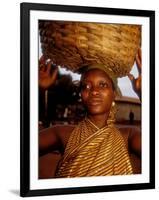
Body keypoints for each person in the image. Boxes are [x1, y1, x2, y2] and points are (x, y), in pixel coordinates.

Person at [39, 49, 141, 178]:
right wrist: (35, 89)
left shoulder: (129, 136)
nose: (94, 91)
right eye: (86, 86)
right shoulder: (63, 134)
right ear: (81, 94)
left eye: (102, 85)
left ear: (114, 93)